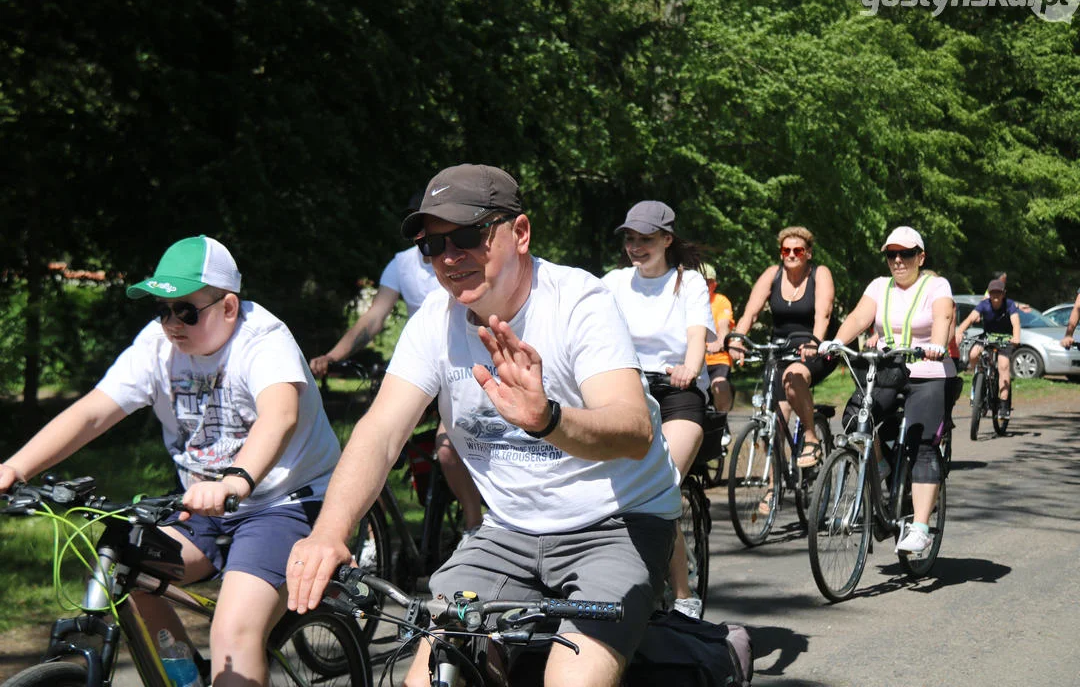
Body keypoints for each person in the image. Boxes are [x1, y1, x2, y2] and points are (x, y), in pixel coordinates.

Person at [286, 164, 682, 687]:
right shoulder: (434, 319)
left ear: (520, 233)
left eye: (469, 236)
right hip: (507, 531)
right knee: (435, 677)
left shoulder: (578, 301)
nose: (450, 257)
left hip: (616, 523)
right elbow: (381, 432)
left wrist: (548, 420)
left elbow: (634, 429)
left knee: (570, 680)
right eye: (433, 245)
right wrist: (330, 533)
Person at [0, 235, 341, 687]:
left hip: (284, 502)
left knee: (233, 636)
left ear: (229, 307)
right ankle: (184, 677)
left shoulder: (264, 340)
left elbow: (280, 415)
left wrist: (235, 481)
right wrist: (15, 468)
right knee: (122, 566)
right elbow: (93, 412)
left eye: (186, 311)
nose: (171, 324)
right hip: (202, 504)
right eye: (163, 310)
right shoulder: (157, 348)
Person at [308, 210, 485, 537]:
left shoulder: (466, 258)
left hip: (465, 365)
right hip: (421, 366)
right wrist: (333, 356)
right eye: (430, 240)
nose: (443, 252)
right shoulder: (402, 265)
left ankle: (474, 526)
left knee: (446, 447)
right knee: (376, 442)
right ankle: (375, 536)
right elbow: (374, 318)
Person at [601, 200, 716, 620]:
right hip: (627, 390)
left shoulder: (689, 285)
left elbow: (697, 338)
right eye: (630, 239)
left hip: (677, 392)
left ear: (667, 240)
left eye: (645, 239)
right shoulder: (612, 283)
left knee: (658, 485)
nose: (635, 247)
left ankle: (684, 594)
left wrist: (691, 367)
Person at [819, 226, 954, 555]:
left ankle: (920, 527)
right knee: (854, 419)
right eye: (891, 254)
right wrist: (837, 341)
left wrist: (937, 344)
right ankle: (880, 467)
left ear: (920, 257)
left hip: (929, 371)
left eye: (905, 253)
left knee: (922, 444)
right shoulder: (880, 287)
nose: (898, 260)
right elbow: (858, 317)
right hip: (888, 370)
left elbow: (943, 315)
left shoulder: (936, 285)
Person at [729, 226, 837, 474]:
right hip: (779, 351)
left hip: (813, 350)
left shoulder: (820, 274)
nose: (791, 254)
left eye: (797, 250)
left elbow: (824, 313)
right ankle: (772, 488)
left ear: (808, 253)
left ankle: (811, 437)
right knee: (775, 421)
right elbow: (751, 312)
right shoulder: (773, 275)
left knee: (794, 377)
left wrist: (815, 342)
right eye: (786, 250)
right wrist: (737, 340)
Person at [955, 279, 1021, 419]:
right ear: (989, 294)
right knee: (973, 354)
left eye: (998, 293)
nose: (995, 296)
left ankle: (1003, 405)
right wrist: (959, 332)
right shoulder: (984, 305)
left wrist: (1016, 337)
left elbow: (1015, 323)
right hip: (988, 336)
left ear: (1004, 293)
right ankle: (979, 380)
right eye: (992, 293)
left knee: (1003, 366)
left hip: (1005, 339)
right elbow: (969, 319)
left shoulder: (1009, 305)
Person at [703, 263, 736, 417]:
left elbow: (724, 323)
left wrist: (720, 341)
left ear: (714, 284)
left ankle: (722, 422)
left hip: (718, 358)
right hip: (693, 359)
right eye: (700, 280)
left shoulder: (721, 301)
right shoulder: (684, 302)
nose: (704, 284)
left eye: (708, 281)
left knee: (719, 385)